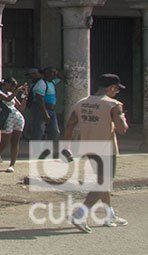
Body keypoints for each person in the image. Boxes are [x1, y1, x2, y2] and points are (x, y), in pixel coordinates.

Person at [63, 73, 129, 232]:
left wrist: (66, 147)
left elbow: (69, 125)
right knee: (103, 183)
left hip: (89, 148)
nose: (117, 92)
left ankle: (109, 215)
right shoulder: (113, 105)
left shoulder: (81, 103)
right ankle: (80, 213)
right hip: (106, 150)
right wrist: (122, 118)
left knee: (103, 182)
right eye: (116, 89)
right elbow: (122, 130)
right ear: (111, 87)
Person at [0, 78, 26, 173]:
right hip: (6, 119)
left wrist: (24, 96)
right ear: (6, 84)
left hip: (17, 119)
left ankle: (12, 164)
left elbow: (20, 107)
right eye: (12, 86)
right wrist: (17, 91)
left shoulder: (11, 94)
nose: (13, 88)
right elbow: (7, 99)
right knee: (3, 143)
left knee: (15, 142)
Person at [31, 66, 61, 149]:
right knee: (39, 131)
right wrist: (45, 113)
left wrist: (57, 73)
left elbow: (63, 77)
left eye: (55, 73)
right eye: (52, 72)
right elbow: (39, 99)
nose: (54, 74)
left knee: (54, 132)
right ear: (46, 74)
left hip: (51, 109)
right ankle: (36, 151)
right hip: (41, 109)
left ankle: (48, 150)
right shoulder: (41, 83)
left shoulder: (52, 82)